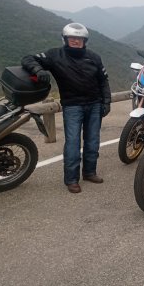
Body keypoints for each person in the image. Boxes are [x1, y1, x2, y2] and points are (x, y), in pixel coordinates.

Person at [21, 23, 111, 193]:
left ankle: (90, 172)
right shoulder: (55, 55)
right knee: (73, 143)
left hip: (94, 104)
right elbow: (28, 58)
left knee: (93, 141)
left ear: (85, 40)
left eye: (79, 39)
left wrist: (106, 102)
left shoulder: (94, 57)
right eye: (72, 38)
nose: (75, 41)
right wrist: (38, 70)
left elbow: (103, 81)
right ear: (65, 39)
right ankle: (71, 179)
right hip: (72, 106)